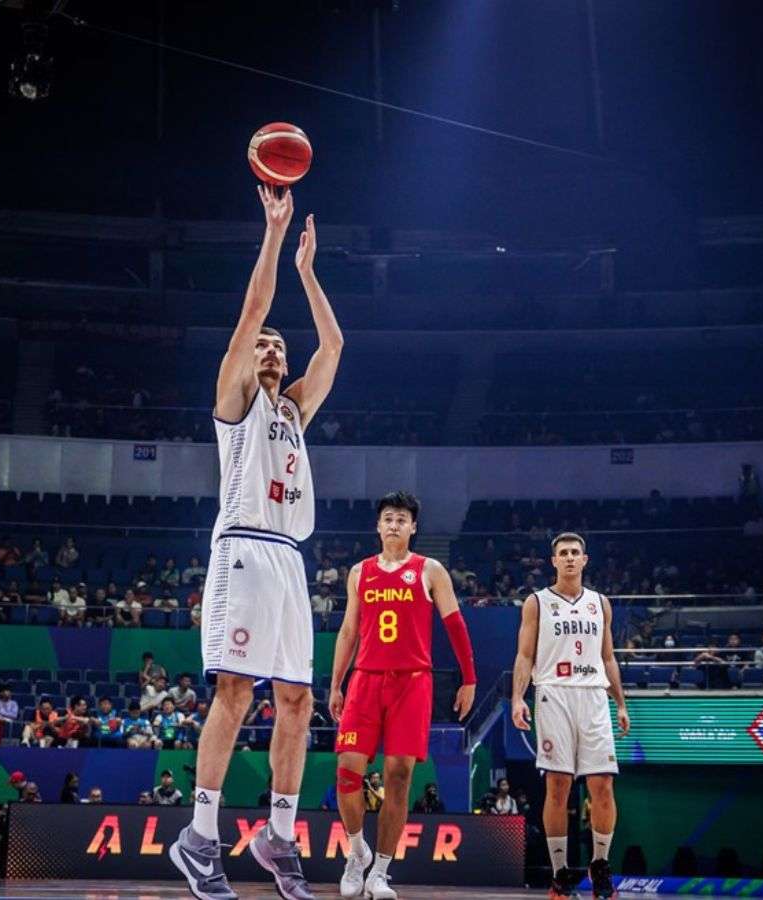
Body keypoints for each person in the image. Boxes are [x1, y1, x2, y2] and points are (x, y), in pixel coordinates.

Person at [172, 184, 343, 900]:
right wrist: (273, 238)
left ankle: (278, 834)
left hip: (290, 563)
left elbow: (333, 344)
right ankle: (200, 838)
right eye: (264, 345)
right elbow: (251, 313)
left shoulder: (296, 410)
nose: (272, 348)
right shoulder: (235, 402)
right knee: (236, 691)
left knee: (299, 703)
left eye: (278, 345)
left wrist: (308, 272)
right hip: (241, 551)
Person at [329, 492, 477, 900]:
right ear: (378, 526)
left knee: (398, 777)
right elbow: (348, 632)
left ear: (413, 528)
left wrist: (469, 679)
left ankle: (380, 871)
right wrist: (335, 682)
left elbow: (456, 625)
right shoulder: (359, 572)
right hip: (365, 679)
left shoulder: (430, 570)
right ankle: (355, 853)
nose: (394, 524)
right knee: (347, 771)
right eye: (388, 518)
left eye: (402, 519)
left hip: (413, 682)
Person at [511, 532, 630, 900]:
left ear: (585, 559)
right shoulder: (536, 602)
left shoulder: (600, 603)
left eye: (575, 553)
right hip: (553, 694)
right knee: (558, 786)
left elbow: (608, 657)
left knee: (603, 786)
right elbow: (525, 655)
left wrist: (621, 702)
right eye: (562, 553)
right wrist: (517, 697)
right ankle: (560, 874)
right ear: (553, 561)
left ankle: (600, 865)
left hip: (593, 696)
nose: (569, 558)